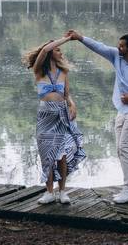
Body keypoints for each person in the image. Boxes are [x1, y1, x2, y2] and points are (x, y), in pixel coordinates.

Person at [64, 29, 128, 204]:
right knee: (120, 150)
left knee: (125, 148)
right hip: (122, 112)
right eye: (119, 44)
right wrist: (79, 38)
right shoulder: (117, 56)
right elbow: (98, 47)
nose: (118, 47)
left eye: (122, 46)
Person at [21, 36, 86, 205]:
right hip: (45, 116)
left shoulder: (63, 72)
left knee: (62, 155)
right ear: (50, 52)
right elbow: (43, 50)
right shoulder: (39, 71)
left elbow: (66, 94)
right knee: (47, 156)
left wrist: (72, 105)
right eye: (57, 49)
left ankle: (62, 192)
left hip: (61, 115)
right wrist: (66, 39)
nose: (61, 51)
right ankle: (49, 192)